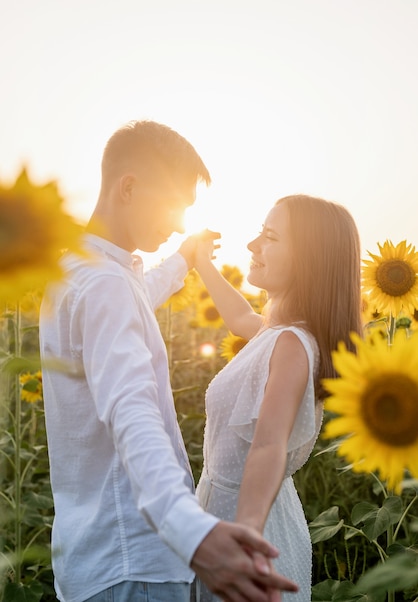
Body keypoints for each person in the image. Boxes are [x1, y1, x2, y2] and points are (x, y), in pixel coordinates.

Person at [39, 120, 298, 602]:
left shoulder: (80, 273)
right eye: (173, 205)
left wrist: (184, 259)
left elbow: (135, 296)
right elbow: (131, 412)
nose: (180, 223)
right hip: (135, 565)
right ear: (130, 188)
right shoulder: (106, 286)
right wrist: (192, 534)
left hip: (90, 561)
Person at [194, 194, 363, 601]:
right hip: (245, 514)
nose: (253, 246)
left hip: (249, 520)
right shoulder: (277, 333)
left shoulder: (291, 344)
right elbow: (238, 318)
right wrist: (201, 262)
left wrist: (248, 532)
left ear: (309, 259)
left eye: (269, 236)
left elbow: (269, 443)